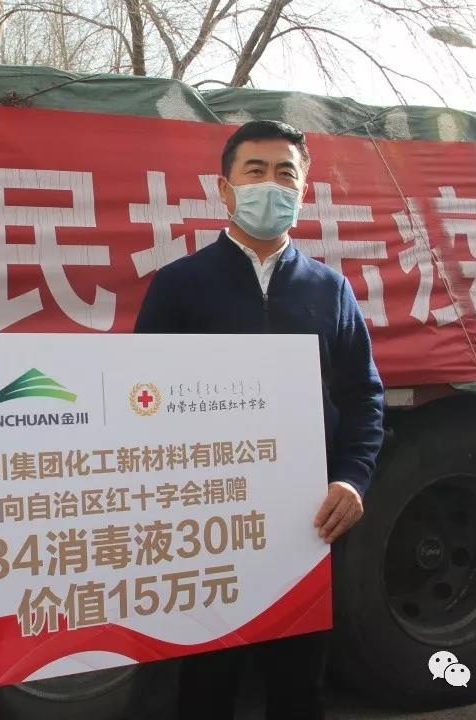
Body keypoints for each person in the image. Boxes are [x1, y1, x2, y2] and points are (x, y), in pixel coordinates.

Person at [134, 120, 385, 719]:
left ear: (303, 191)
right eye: (255, 171)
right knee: (206, 686)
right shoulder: (179, 285)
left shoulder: (329, 290)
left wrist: (352, 479)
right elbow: (139, 399)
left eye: (285, 174)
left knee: (299, 686)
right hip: (207, 529)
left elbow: (364, 397)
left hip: (306, 525)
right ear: (225, 189)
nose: (271, 185)